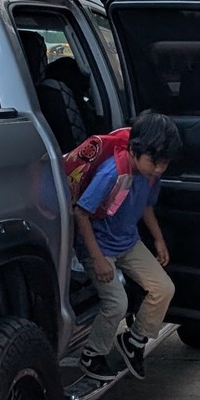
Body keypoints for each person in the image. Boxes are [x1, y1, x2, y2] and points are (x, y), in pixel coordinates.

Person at [75, 110, 183, 382]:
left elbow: (146, 205)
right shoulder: (112, 172)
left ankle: (133, 342)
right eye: (154, 162)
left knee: (163, 288)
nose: (158, 169)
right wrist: (98, 259)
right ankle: (92, 354)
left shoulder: (150, 174)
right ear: (135, 151)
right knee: (116, 304)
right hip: (99, 246)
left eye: (164, 164)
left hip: (128, 242)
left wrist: (158, 238)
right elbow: (81, 213)